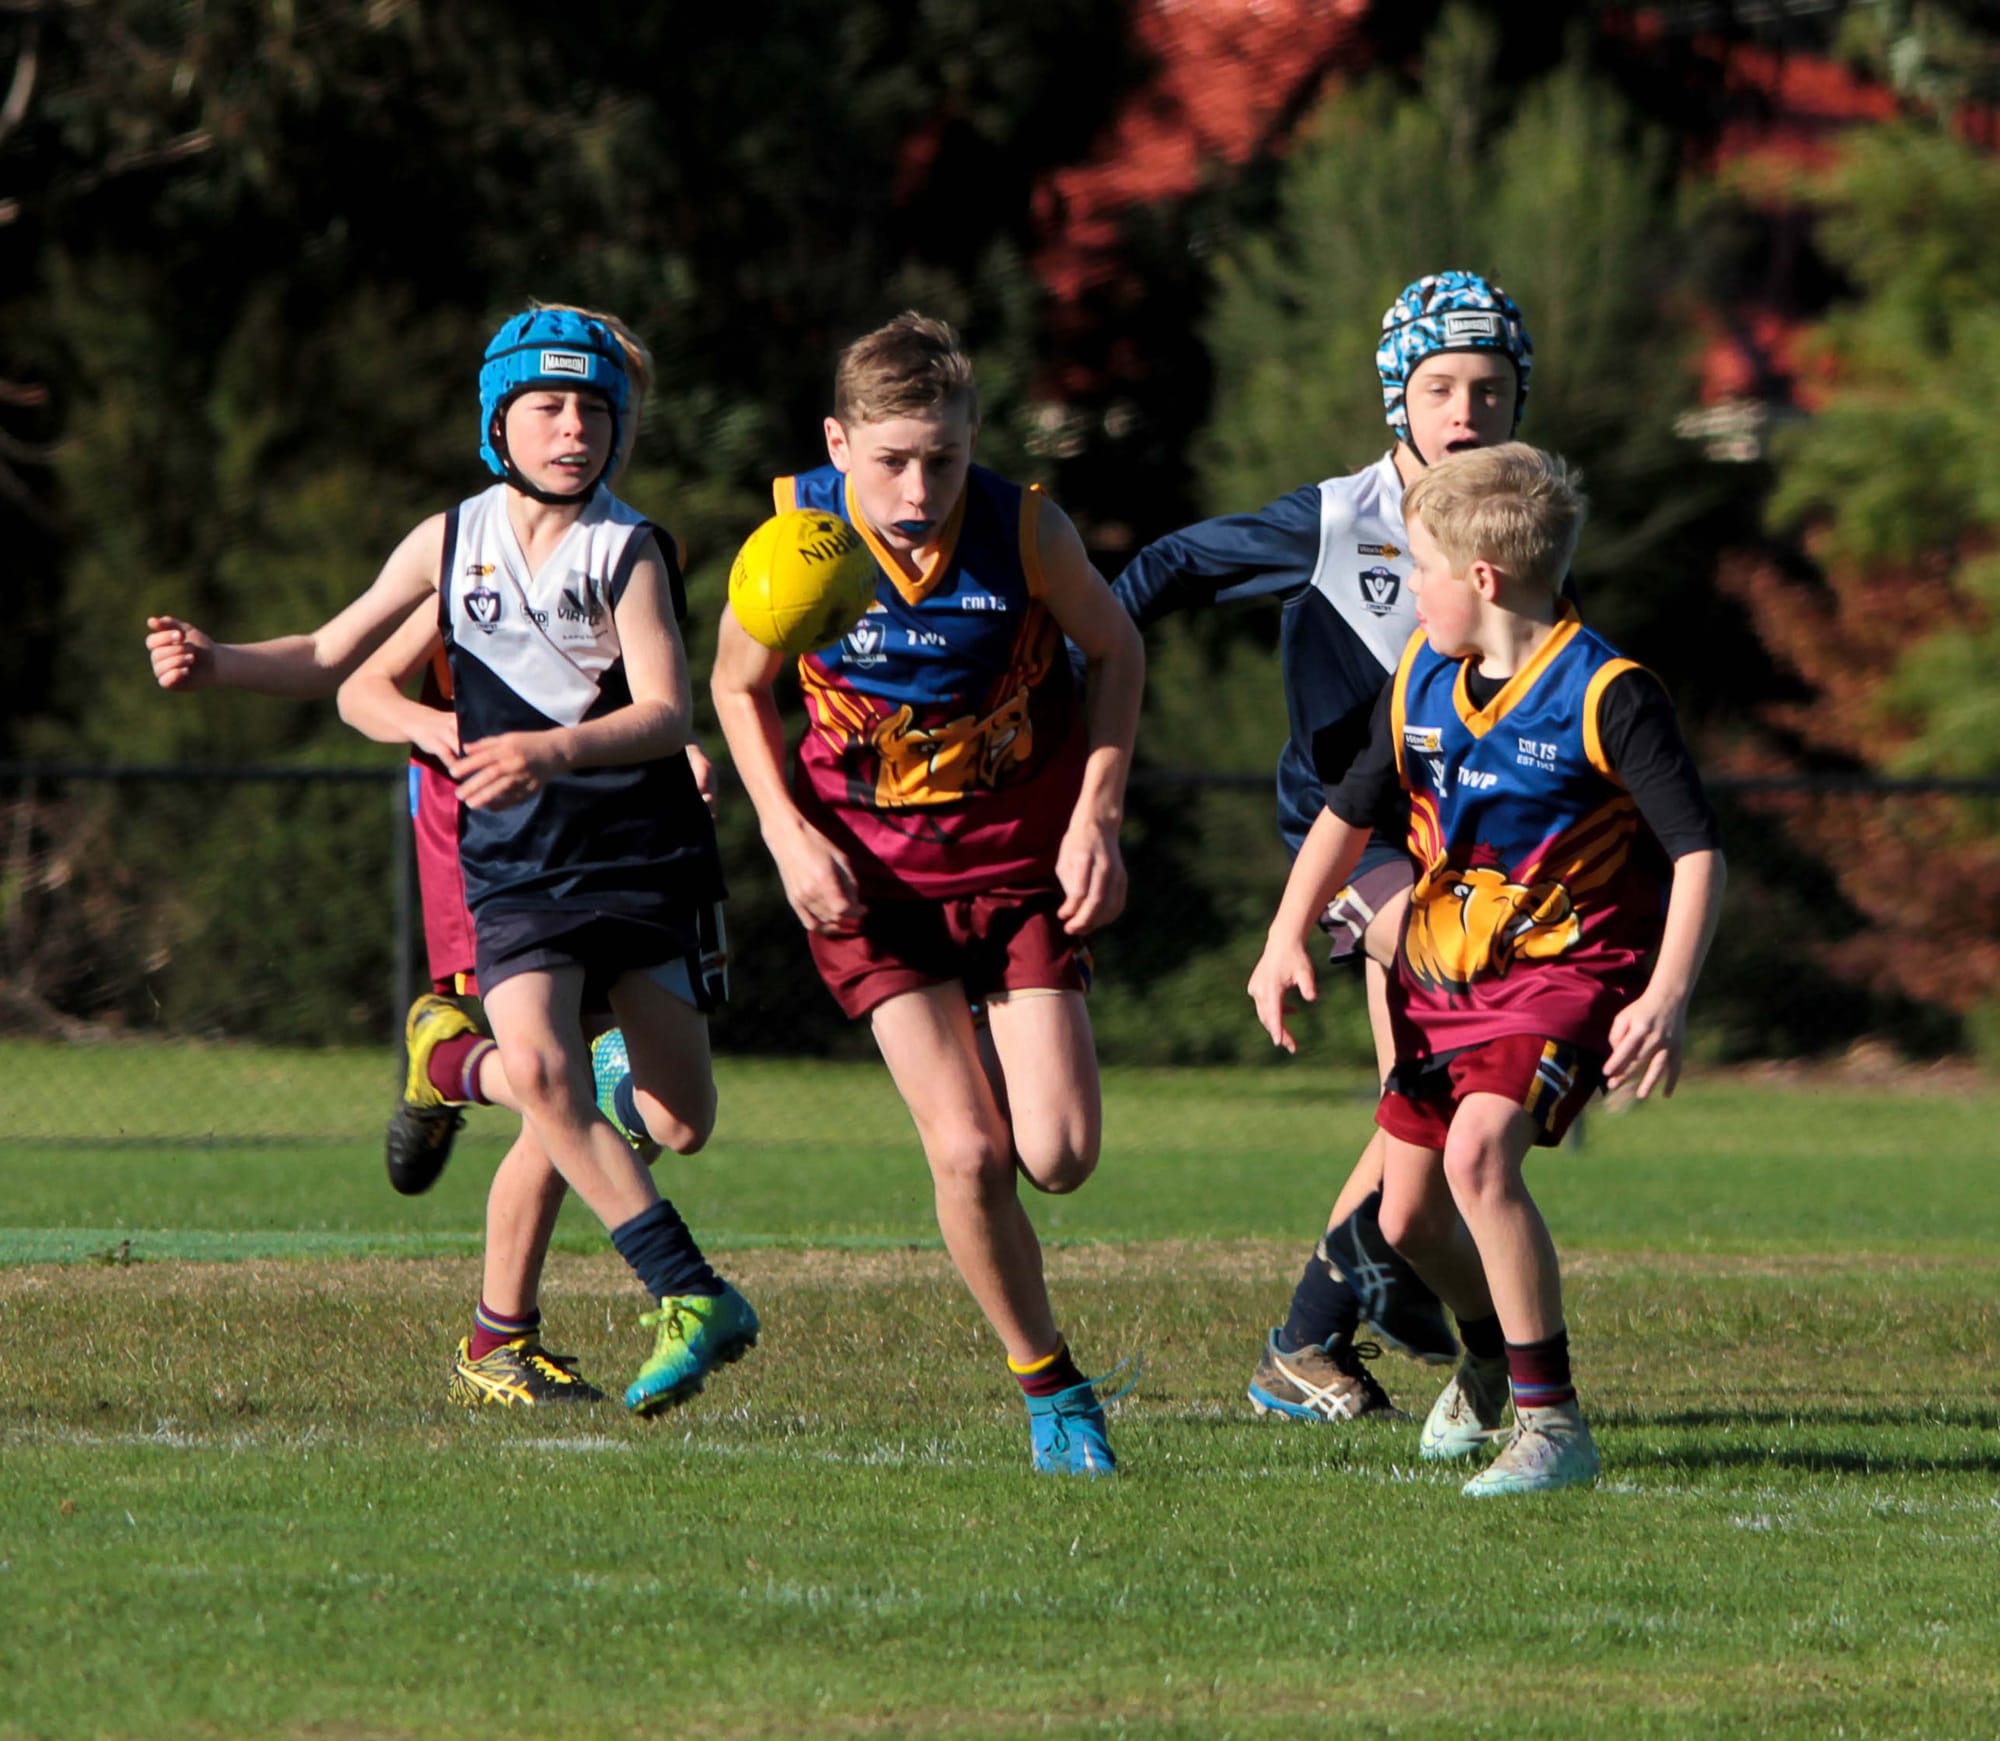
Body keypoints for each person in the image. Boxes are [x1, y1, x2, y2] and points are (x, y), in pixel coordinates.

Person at [150, 305, 752, 1413]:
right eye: (548, 407)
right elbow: (333, 659)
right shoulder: (450, 540)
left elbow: (667, 711)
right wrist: (218, 660)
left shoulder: (629, 549)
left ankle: (483, 1132)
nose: (573, 429)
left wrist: (548, 749)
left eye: (593, 410)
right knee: (539, 1074)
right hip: (516, 864)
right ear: (497, 422)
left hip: (637, 857)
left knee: (673, 1120)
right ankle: (685, 1291)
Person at [710, 311, 1145, 1475]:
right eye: (891, 459)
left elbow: (1118, 650)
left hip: (1013, 876)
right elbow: (735, 681)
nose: (917, 487)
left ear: (971, 442)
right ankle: (1051, 1388)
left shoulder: (1026, 531)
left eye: (942, 458)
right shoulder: (794, 534)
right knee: (967, 1151)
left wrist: (1097, 813)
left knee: (1054, 1154)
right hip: (870, 889)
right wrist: (785, 834)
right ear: (837, 442)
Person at [1249, 442, 1726, 1495]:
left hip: (1564, 977)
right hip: (1440, 980)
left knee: (1478, 1158)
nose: (1407, 590)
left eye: (1416, 568)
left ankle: (1552, 1424)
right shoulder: (1421, 672)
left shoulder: (1607, 693)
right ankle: (1484, 1356)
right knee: (1405, 1216)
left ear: (1479, 579)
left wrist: (1666, 996)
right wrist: (1286, 934)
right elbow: (1347, 811)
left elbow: (1696, 851)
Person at [1112, 270, 1537, 1424]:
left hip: (1467, 856)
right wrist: (1068, 674)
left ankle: (1322, 1325)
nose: (1463, 412)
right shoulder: (1333, 521)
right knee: (1457, 1059)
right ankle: (1380, 1292)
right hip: (1356, 845)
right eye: (1438, 386)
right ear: (1395, 396)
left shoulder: (1513, 530)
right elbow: (1162, 569)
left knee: (1434, 1095)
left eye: (1488, 390)